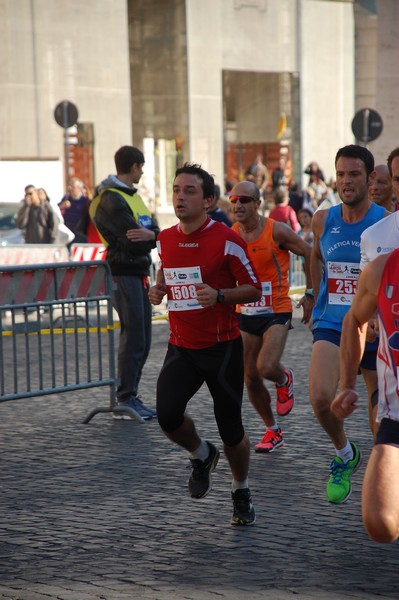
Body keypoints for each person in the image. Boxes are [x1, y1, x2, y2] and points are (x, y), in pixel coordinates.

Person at [148, 163, 261, 526]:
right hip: (181, 346)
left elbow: (254, 287)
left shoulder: (227, 239)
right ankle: (201, 453)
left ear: (209, 200)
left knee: (232, 431)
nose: (180, 196)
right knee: (166, 415)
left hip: (222, 349)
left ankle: (240, 489)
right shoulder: (165, 237)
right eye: (177, 189)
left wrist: (221, 294)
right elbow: (166, 270)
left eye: (190, 191)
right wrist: (157, 288)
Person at [309, 144, 388, 505]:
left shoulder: (385, 223)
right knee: (322, 397)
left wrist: (378, 315)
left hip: (375, 328)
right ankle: (344, 454)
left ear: (370, 177)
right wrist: (312, 294)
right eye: (340, 174)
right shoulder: (322, 220)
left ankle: (385, 488)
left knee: (380, 424)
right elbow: (314, 255)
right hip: (333, 322)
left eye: (354, 174)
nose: (346, 181)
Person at [230, 180, 314, 452]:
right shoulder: (230, 235)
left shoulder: (276, 230)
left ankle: (283, 378)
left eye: (244, 200)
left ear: (257, 203)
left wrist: (311, 292)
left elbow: (308, 252)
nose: (238, 205)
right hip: (246, 310)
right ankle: (272, 430)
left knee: (266, 367)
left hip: (277, 308)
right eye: (233, 200)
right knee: (251, 378)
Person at [331, 249, 399, 543]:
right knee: (379, 523)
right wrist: (347, 384)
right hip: (395, 415)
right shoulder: (382, 268)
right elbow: (353, 320)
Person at [89, 145, 159, 420]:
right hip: (123, 272)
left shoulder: (132, 197)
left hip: (137, 271)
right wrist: (150, 237)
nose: (141, 171)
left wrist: (150, 236)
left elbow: (152, 231)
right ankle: (125, 397)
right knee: (133, 336)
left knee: (143, 337)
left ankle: (132, 395)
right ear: (134, 167)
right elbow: (133, 239)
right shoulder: (111, 199)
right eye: (141, 167)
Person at [360, 148, 399, 271]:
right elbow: (365, 289)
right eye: (398, 179)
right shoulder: (371, 235)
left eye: (381, 182)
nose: (375, 188)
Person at [58, 178, 90, 243]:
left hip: (80, 234)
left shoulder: (85, 201)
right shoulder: (66, 198)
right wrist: (62, 206)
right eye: (70, 186)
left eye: (73, 187)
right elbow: (56, 210)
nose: (71, 189)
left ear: (79, 188)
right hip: (68, 234)